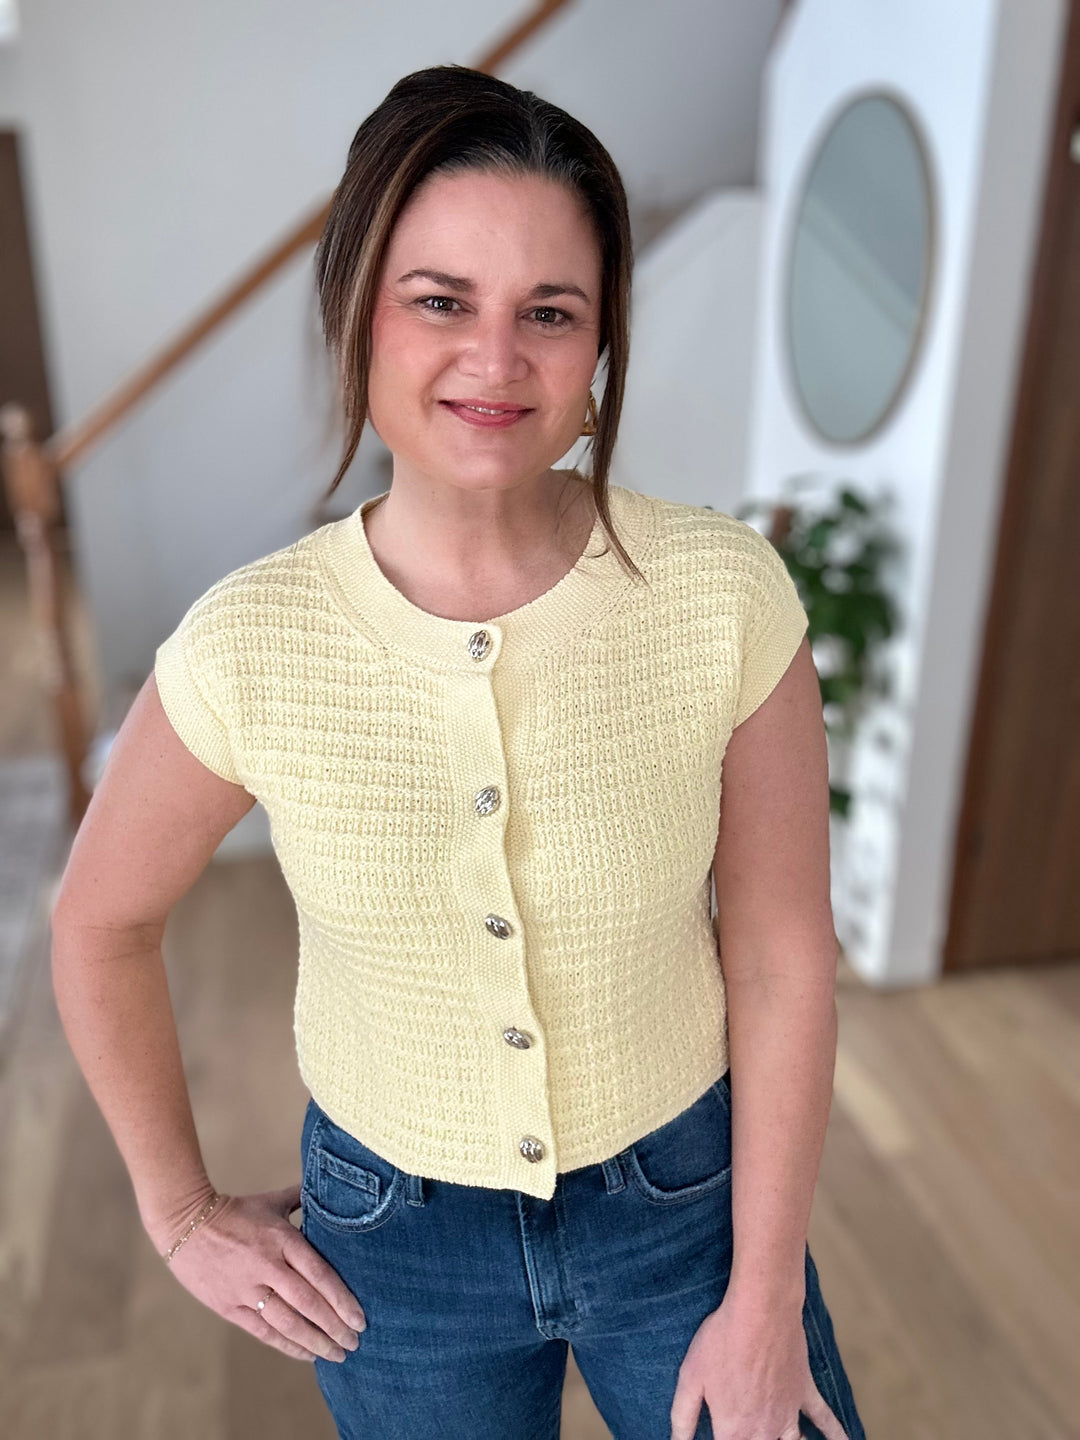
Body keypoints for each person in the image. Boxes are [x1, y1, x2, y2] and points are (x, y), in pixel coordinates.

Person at [50, 64, 867, 1440]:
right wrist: (181, 1211)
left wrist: (767, 1291)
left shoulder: (724, 596)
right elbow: (98, 921)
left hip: (693, 1212)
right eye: (441, 301)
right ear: (356, 315)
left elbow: (784, 952)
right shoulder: (252, 642)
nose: (497, 361)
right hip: (392, 1250)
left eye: (550, 313)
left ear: (600, 346)